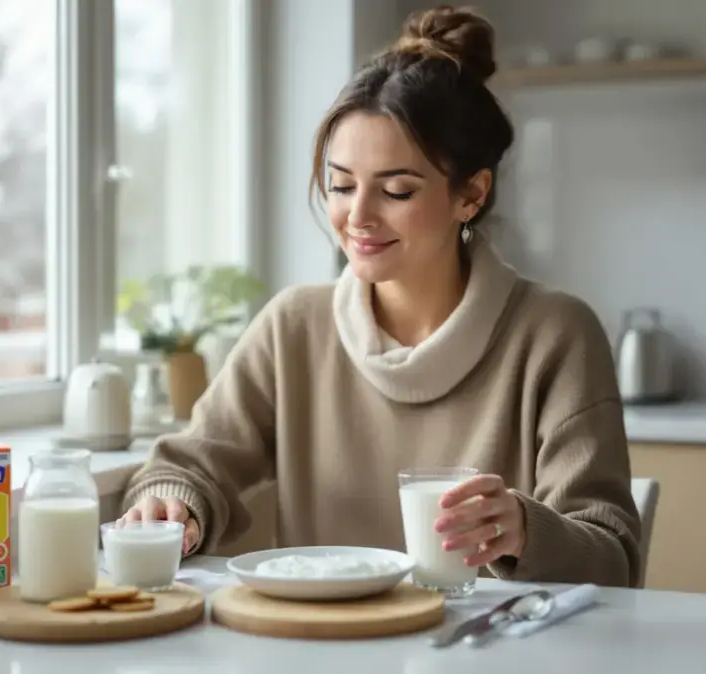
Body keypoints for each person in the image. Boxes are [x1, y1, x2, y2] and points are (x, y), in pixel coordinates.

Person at [118, 4, 642, 588]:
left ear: (470, 194)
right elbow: (189, 465)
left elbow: (613, 556)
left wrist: (523, 528)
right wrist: (173, 507)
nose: (357, 217)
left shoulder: (554, 334)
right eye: (341, 185)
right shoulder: (294, 326)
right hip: (323, 648)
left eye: (396, 190)